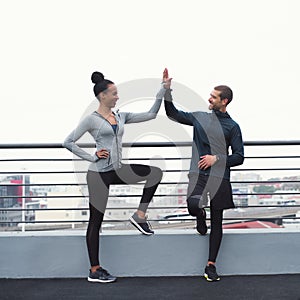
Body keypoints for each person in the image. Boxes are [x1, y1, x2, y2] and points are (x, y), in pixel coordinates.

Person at [63, 71, 166, 283]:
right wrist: (92, 157)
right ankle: (95, 269)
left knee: (154, 173)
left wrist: (162, 90)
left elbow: (150, 114)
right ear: (102, 96)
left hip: (117, 170)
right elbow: (68, 141)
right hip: (99, 175)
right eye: (114, 93)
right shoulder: (91, 120)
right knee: (95, 221)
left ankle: (139, 215)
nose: (117, 97)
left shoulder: (121, 116)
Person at [163, 68, 244, 281]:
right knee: (192, 204)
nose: (209, 98)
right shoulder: (199, 117)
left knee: (217, 221)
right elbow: (173, 114)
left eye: (214, 97)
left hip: (220, 178)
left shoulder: (233, 127)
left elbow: (239, 157)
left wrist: (216, 158)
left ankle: (211, 265)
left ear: (224, 101)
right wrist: (167, 90)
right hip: (197, 174)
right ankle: (200, 217)